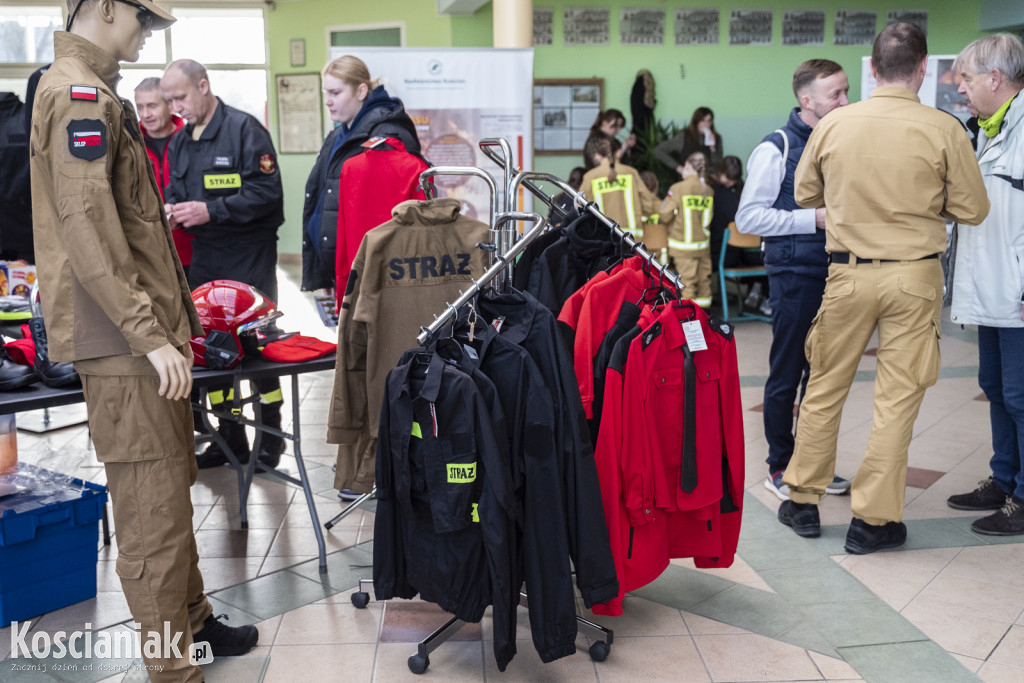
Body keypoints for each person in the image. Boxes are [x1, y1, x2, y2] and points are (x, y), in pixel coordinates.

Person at [30, 2, 259, 679]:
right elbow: (88, 227)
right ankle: (172, 668)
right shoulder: (76, 95)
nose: (149, 33)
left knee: (171, 482)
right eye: (145, 20)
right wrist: (144, 331)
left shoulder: (95, 89)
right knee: (150, 516)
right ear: (104, 7)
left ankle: (193, 623)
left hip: (146, 335)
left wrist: (166, 328)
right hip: (127, 342)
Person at [777, 23, 989, 554]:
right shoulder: (943, 128)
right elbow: (974, 209)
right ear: (922, 69)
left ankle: (802, 500)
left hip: (847, 273)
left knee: (824, 386)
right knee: (896, 400)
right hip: (914, 276)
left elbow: (805, 194)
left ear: (872, 69)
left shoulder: (836, 124)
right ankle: (872, 522)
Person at [161, 59, 287, 470]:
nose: (175, 107)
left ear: (203, 86)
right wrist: (173, 210)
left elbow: (268, 195)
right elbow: (176, 191)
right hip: (206, 259)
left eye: (180, 97)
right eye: (170, 100)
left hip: (248, 258)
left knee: (256, 350)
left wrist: (212, 210)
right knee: (211, 352)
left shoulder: (244, 131)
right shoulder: (181, 141)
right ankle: (230, 439)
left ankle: (271, 440)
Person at [736, 59, 853, 501]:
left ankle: (814, 464)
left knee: (823, 376)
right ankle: (780, 466)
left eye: (846, 91)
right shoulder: (777, 147)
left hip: (837, 271)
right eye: (836, 95)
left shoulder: (842, 140)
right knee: (788, 371)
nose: (845, 101)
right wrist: (815, 218)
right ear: (808, 101)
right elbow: (749, 217)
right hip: (794, 273)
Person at [946, 34, 1024, 535]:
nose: (961, 90)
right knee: (995, 388)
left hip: (1017, 294)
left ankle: (1022, 497)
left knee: (1020, 395)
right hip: (990, 290)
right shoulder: (986, 131)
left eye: (967, 79)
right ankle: (1003, 478)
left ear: (995, 78)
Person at [301, 54, 422, 294]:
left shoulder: (388, 134)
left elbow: (391, 214)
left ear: (361, 91)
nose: (327, 101)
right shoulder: (338, 135)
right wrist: (325, 271)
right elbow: (320, 199)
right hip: (341, 271)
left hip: (371, 275)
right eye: (326, 93)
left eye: (335, 93)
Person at [134, 77, 190, 274]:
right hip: (148, 254)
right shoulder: (130, 144)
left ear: (170, 105)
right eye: (139, 107)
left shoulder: (191, 139)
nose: (145, 114)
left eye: (152, 106)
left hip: (191, 252)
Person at [581, 137, 656, 245]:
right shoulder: (631, 173)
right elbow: (647, 201)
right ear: (618, 153)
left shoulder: (590, 177)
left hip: (603, 235)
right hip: (632, 236)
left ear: (597, 156)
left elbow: (581, 206)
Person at [661, 151, 713, 308]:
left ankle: (690, 320)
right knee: (704, 283)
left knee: (687, 284)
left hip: (682, 246)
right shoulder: (708, 190)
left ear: (688, 166)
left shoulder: (677, 188)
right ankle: (706, 319)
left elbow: (665, 215)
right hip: (702, 246)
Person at [655, 106, 722, 180]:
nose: (706, 124)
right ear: (696, 122)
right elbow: (658, 150)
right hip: (687, 182)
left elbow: (718, 166)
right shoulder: (684, 136)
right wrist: (678, 167)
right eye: (703, 121)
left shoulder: (717, 138)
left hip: (708, 182)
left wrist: (712, 149)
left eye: (709, 121)